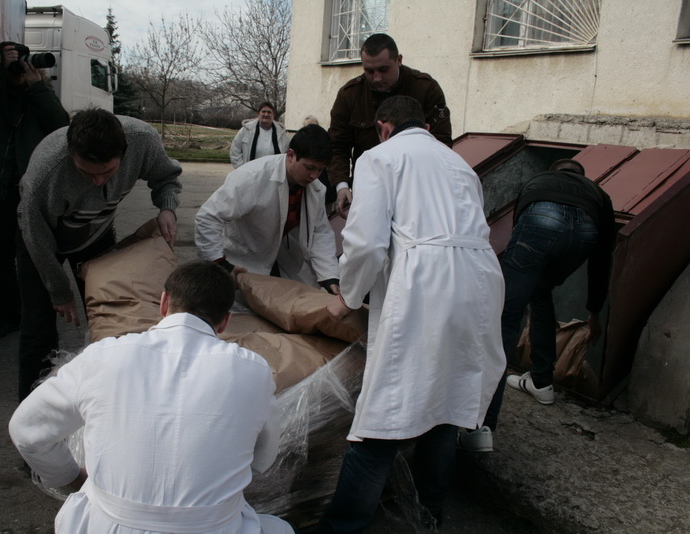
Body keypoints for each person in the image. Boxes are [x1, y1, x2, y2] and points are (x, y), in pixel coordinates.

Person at [318, 96, 505, 532]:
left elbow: (364, 242)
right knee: (445, 407)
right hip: (480, 282)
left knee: (383, 415)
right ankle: (428, 518)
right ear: (422, 124)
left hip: (426, 284)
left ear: (384, 126)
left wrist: (348, 296)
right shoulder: (460, 164)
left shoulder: (378, 157)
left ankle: (342, 527)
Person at [8, 261, 294, 534]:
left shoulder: (104, 356)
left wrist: (71, 477)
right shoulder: (254, 370)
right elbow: (262, 460)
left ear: (163, 303)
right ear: (224, 322)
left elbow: (26, 429)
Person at [16, 108, 182, 401]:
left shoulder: (143, 140)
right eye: (86, 173)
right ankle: (33, 409)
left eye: (107, 172)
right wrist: (58, 289)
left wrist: (167, 207)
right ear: (70, 155)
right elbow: (36, 237)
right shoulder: (44, 175)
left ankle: (113, 398)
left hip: (95, 233)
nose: (97, 181)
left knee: (112, 312)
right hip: (41, 240)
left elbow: (166, 176)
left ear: (124, 152)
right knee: (38, 327)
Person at [459, 159, 616, 453]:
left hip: (540, 222)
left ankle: (481, 427)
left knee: (505, 319)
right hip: (585, 232)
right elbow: (602, 258)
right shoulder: (597, 193)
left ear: (554, 172)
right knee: (541, 293)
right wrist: (595, 312)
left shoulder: (538, 182)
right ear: (582, 177)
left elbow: (522, 230)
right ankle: (542, 382)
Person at [0, 41, 70, 339]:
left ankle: (37, 313)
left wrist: (36, 88)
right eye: (15, 63)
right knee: (2, 261)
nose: (21, 68)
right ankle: (9, 315)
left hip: (33, 196)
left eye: (25, 62)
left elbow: (60, 126)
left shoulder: (39, 96)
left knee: (36, 257)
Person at [196, 124, 340, 293]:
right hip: (239, 259)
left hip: (280, 260)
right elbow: (208, 217)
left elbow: (319, 233)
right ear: (291, 155)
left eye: (320, 170)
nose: (314, 176)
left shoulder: (315, 189)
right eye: (309, 168)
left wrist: (329, 276)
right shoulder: (252, 177)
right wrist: (220, 264)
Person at [328, 33, 452, 218]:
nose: (377, 78)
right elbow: (337, 146)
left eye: (383, 69)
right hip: (368, 188)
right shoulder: (350, 95)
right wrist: (342, 185)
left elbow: (441, 144)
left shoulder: (425, 89)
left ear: (399, 60)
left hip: (416, 190)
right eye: (369, 71)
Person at [230, 102, 291, 168]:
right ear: (258, 114)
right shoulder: (246, 130)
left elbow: (288, 155)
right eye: (263, 111)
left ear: (273, 115)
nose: (266, 114)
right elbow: (235, 150)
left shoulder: (282, 134)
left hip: (273, 174)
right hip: (251, 173)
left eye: (269, 112)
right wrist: (242, 168)